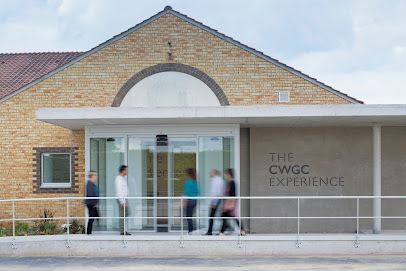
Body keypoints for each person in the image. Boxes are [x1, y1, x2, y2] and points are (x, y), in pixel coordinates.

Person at [219, 168, 245, 236]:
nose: (226, 175)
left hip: (230, 203)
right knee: (229, 216)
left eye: (227, 174)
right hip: (229, 202)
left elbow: (232, 194)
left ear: (229, 174)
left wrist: (229, 203)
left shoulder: (232, 183)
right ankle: (241, 231)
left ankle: (222, 232)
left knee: (225, 216)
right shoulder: (230, 182)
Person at [204, 169, 224, 235]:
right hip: (216, 200)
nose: (211, 173)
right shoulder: (217, 180)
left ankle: (210, 231)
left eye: (212, 172)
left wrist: (214, 203)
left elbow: (216, 192)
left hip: (216, 200)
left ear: (215, 173)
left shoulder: (217, 181)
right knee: (215, 215)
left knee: (211, 216)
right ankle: (225, 225)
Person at [115, 165, 131, 235]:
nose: (127, 171)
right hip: (122, 199)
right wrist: (122, 202)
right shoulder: (119, 179)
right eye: (126, 170)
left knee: (126, 213)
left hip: (124, 199)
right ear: (123, 170)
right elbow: (119, 191)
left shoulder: (122, 178)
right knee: (123, 214)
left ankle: (122, 229)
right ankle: (122, 230)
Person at [183, 168, 198, 235]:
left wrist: (184, 202)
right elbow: (197, 191)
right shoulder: (195, 182)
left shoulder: (188, 181)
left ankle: (190, 231)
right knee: (190, 216)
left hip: (190, 200)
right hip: (195, 200)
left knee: (188, 216)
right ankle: (191, 230)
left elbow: (187, 192)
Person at [85, 171, 99, 235]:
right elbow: (90, 194)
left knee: (95, 216)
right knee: (92, 217)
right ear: (92, 176)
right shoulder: (89, 184)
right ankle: (89, 232)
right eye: (95, 175)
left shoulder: (91, 184)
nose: (96, 177)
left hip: (93, 203)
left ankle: (91, 230)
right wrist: (94, 203)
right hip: (91, 204)